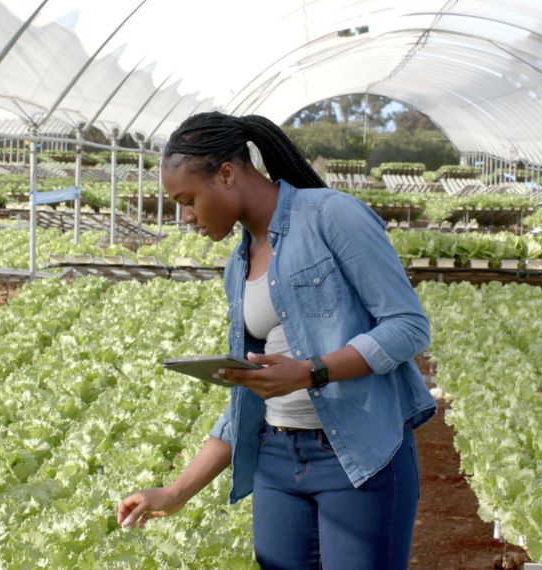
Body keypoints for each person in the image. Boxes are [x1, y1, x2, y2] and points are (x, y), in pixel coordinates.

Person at [116, 111, 436, 569]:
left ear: (226, 174)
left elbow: (407, 327)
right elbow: (244, 406)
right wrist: (175, 492)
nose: (185, 217)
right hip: (277, 461)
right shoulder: (237, 265)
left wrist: (311, 371)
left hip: (358, 457)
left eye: (188, 200)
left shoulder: (331, 216)